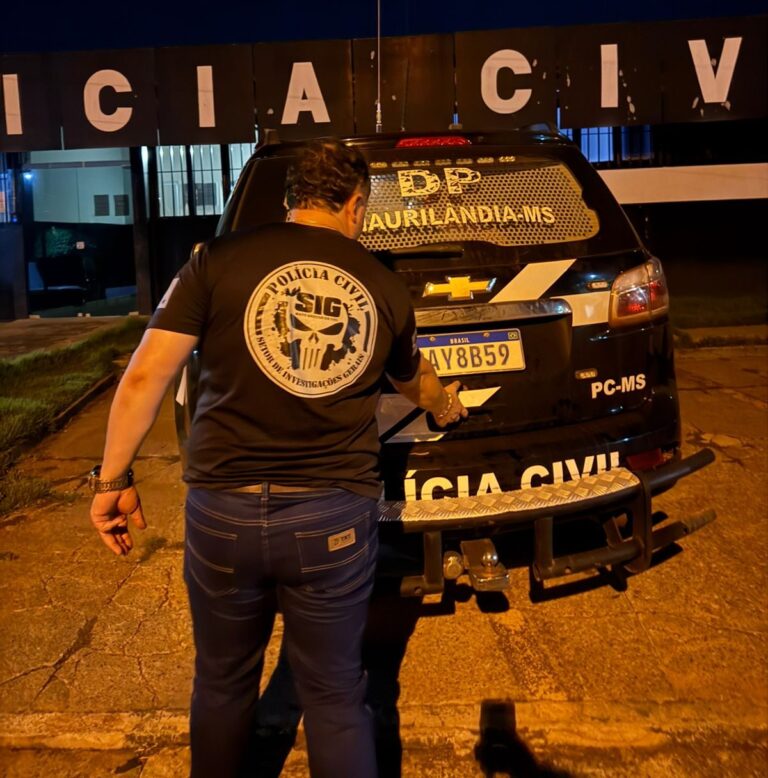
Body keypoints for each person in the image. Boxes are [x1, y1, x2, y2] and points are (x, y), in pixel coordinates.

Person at [88, 138, 468, 778]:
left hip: (223, 514)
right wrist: (447, 406)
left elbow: (146, 375)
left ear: (291, 199)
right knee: (336, 696)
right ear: (355, 204)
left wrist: (112, 480)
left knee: (221, 682)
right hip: (332, 517)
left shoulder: (216, 261)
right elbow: (417, 382)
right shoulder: (381, 284)